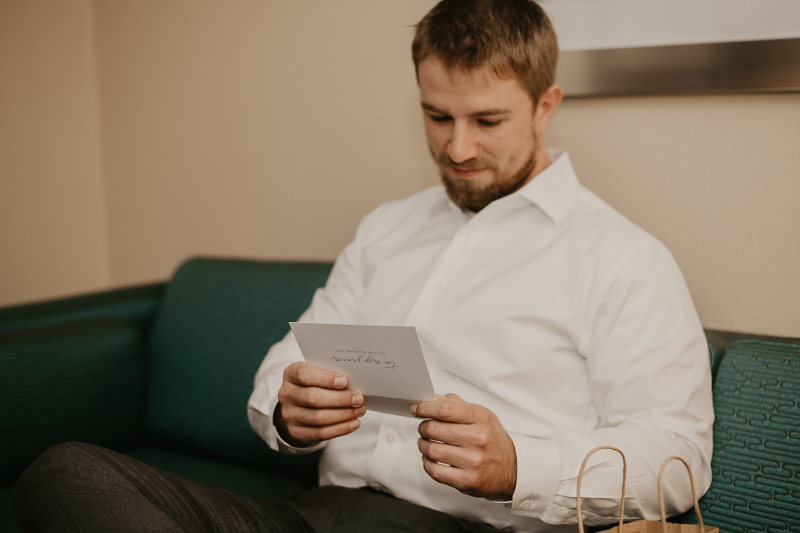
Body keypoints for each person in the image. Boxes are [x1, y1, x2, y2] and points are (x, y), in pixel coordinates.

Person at [14, 1, 713, 532]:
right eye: (437, 116)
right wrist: (288, 407)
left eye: (487, 121)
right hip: (314, 513)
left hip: (466, 526)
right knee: (63, 471)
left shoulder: (621, 258)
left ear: (546, 106)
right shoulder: (388, 228)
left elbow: (680, 453)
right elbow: (288, 357)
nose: (458, 148)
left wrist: (517, 466)